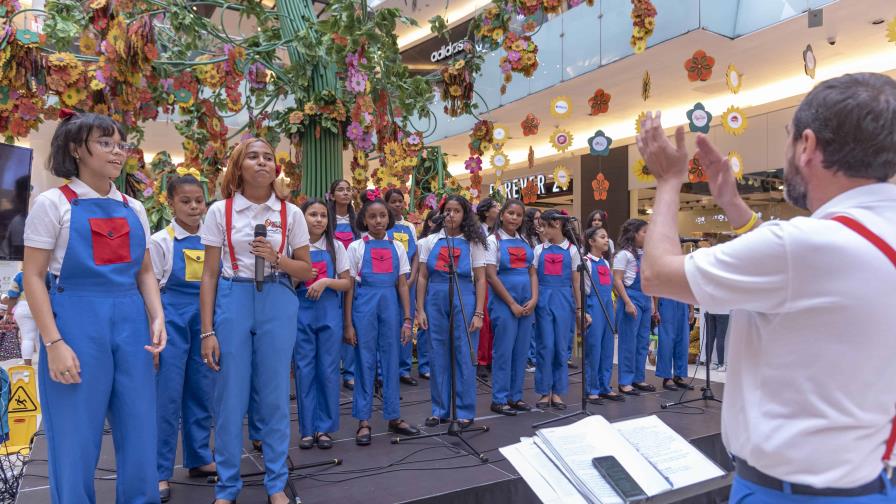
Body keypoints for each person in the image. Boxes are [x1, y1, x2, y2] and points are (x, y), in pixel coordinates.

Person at [635, 73, 896, 502]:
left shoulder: (800, 247)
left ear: (808, 145)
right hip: (870, 483)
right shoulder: (859, 235)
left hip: (787, 493)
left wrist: (667, 181)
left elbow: (657, 274)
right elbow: (799, 278)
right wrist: (736, 209)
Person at [23, 112, 165, 503]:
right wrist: (53, 344)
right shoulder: (53, 204)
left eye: (120, 143)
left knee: (140, 432)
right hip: (76, 324)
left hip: (131, 324)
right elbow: (33, 277)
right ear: (75, 149)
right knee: (75, 439)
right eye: (105, 142)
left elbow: (146, 271)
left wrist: (157, 316)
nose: (117, 151)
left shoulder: (135, 208)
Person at [199, 137, 312, 504]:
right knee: (229, 397)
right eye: (253, 157)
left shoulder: (290, 213)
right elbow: (210, 275)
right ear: (239, 167)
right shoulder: (221, 211)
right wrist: (207, 330)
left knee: (276, 396)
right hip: (234, 296)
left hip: (278, 297)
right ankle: (227, 487)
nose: (262, 162)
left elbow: (306, 270)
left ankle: (276, 484)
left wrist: (277, 258)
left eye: (268, 157)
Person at [150, 174, 215, 502]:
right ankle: (160, 471)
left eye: (198, 201)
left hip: (204, 320)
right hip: (171, 319)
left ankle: (199, 456)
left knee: (202, 389)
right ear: (170, 203)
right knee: (167, 397)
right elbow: (150, 290)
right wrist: (155, 333)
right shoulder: (160, 241)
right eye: (185, 201)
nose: (193, 207)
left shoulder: (212, 239)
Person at [344, 189, 418, 445]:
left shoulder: (397, 246)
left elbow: (402, 285)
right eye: (372, 217)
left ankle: (394, 416)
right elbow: (350, 288)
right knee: (364, 362)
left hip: (391, 308)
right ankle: (363, 420)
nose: (378, 221)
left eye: (382, 216)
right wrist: (348, 324)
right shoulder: (355, 248)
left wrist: (408, 318)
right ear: (364, 220)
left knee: (391, 361)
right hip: (364, 308)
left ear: (389, 219)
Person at [417, 195, 487, 428]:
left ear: (465, 215)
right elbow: (422, 277)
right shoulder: (429, 241)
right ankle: (440, 409)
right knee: (437, 354)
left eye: (457, 211)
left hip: (464, 295)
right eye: (448, 210)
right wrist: (420, 309)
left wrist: (478, 313)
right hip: (436, 297)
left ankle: (465, 411)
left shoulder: (473, 242)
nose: (451, 215)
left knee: (464, 354)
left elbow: (480, 279)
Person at [294, 199, 351, 449]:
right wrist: (302, 276)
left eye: (323, 216)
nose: (318, 219)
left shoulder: (336, 246)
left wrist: (326, 281)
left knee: (328, 371)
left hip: (329, 314)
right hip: (300, 314)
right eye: (312, 214)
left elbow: (347, 283)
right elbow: (287, 282)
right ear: (302, 218)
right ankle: (307, 429)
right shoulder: (295, 247)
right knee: (304, 370)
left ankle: (325, 428)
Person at [485, 199, 537, 415]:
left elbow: (532, 272)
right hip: (504, 303)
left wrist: (534, 298)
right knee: (504, 352)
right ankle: (499, 399)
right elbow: (490, 275)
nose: (514, 218)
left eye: (518, 215)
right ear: (502, 215)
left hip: (527, 303)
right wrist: (512, 304)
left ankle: (516, 396)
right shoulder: (492, 241)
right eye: (511, 213)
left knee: (521, 352)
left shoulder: (525, 241)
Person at [532, 209, 587, 410]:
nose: (542, 229)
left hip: (564, 300)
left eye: (545, 225)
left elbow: (576, 282)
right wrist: (535, 299)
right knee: (545, 345)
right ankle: (544, 391)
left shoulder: (573, 250)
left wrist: (580, 308)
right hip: (544, 299)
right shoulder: (539, 250)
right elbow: (534, 278)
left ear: (557, 224)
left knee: (561, 347)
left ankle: (558, 391)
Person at [613, 218, 655, 396]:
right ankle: (625, 381)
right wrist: (628, 302)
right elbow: (617, 280)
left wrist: (651, 301)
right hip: (631, 297)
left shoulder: (645, 254)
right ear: (634, 234)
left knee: (643, 341)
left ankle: (639, 377)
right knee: (628, 342)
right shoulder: (624, 255)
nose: (648, 235)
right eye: (644, 232)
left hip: (645, 297)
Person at [583, 227, 624, 403]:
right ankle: (592, 389)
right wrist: (584, 312)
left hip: (608, 307)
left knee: (608, 349)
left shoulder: (606, 263)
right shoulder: (587, 262)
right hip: (594, 308)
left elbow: (609, 289)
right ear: (591, 241)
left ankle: (605, 386)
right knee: (594, 350)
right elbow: (583, 291)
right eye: (602, 237)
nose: (606, 240)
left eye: (607, 237)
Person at [327, 179, 360, 392]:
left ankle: (350, 373)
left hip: (353, 277)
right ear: (331, 195)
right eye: (340, 190)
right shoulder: (326, 220)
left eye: (348, 190)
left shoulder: (358, 222)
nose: (345, 193)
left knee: (351, 323)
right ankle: (330, 372)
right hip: (331, 276)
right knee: (331, 324)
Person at [385, 189, 420, 386]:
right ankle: (387, 370)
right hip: (389, 281)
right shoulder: (383, 226)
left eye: (400, 201)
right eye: (393, 201)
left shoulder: (409, 226)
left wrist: (413, 277)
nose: (398, 205)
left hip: (408, 281)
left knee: (407, 321)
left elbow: (415, 255)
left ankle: (404, 369)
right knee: (390, 322)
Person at [475, 197, 498, 379]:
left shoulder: (498, 233)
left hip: (496, 278)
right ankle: (481, 360)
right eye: (495, 207)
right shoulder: (477, 232)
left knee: (493, 320)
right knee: (483, 319)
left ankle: (490, 357)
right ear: (485, 212)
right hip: (481, 278)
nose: (498, 209)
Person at [415, 209, 440, 380]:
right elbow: (420, 272)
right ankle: (424, 364)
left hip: (441, 286)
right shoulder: (424, 242)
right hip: (427, 285)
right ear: (430, 222)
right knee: (425, 327)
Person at [655, 296, 695, 391]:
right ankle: (666, 376)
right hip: (666, 300)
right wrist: (656, 310)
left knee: (683, 340)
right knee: (666, 341)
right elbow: (657, 287)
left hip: (683, 301)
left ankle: (679, 375)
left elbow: (688, 288)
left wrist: (691, 309)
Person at [522, 207, 544, 372]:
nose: (539, 221)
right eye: (536, 218)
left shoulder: (539, 238)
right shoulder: (524, 238)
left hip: (541, 281)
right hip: (529, 281)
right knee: (531, 321)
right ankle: (529, 357)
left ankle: (536, 356)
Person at [5, 270, 38, 366]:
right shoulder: (46, 273)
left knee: (27, 337)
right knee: (42, 337)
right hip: (41, 306)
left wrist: (9, 313)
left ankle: (28, 366)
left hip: (23, 307)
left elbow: (13, 295)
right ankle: (43, 364)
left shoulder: (19, 275)